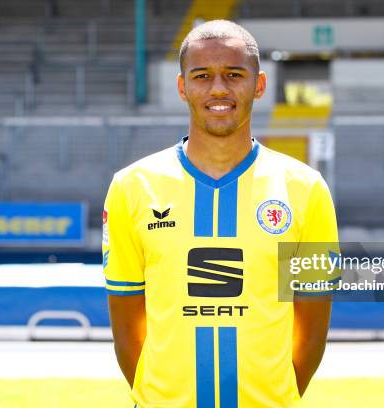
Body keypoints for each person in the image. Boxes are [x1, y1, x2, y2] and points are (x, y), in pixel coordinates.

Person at [103, 19, 339, 407]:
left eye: (234, 75)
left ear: (258, 85)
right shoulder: (132, 187)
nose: (218, 89)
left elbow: (311, 330)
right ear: (182, 87)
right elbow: (128, 330)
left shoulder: (306, 189)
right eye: (201, 76)